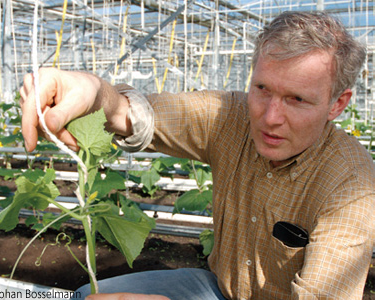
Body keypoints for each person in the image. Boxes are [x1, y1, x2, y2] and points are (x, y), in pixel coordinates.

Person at [20, 10, 375, 300]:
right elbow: (137, 114)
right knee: (85, 296)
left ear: (337, 104)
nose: (269, 118)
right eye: (262, 89)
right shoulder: (230, 118)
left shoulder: (352, 184)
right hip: (219, 289)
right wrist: (93, 90)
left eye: (296, 99)